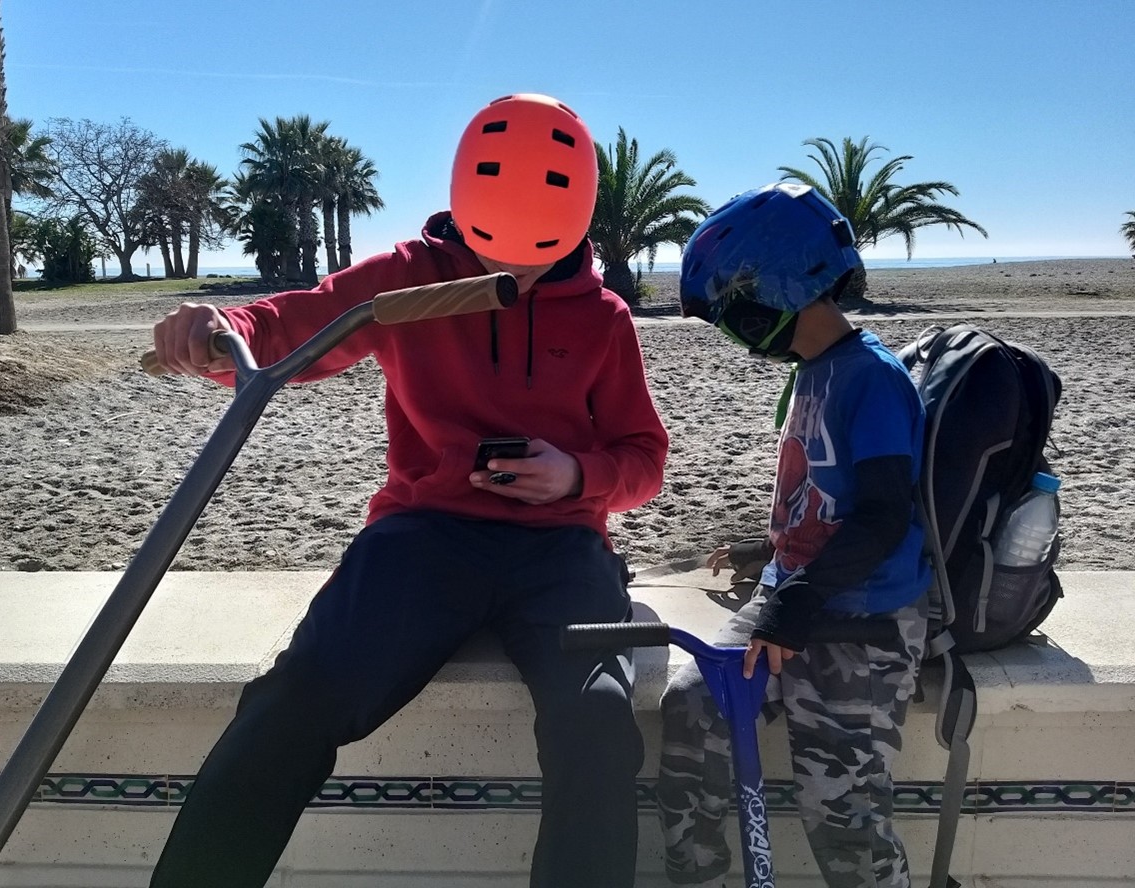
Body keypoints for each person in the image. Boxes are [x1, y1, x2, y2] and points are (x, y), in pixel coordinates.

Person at [147, 93, 669, 888]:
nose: (518, 276)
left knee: (597, 723)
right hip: (427, 537)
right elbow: (297, 325)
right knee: (299, 697)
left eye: (536, 258)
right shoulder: (411, 280)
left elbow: (644, 457)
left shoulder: (604, 318)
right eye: (503, 254)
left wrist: (576, 475)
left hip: (565, 547)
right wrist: (222, 329)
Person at [658, 183, 931, 887]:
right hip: (794, 601)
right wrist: (769, 549)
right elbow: (823, 497)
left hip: (860, 625)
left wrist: (797, 599)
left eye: (729, 310)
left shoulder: (872, 378)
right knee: (690, 708)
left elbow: (881, 514)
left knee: (842, 816)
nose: (731, 329)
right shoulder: (813, 373)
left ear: (770, 287)